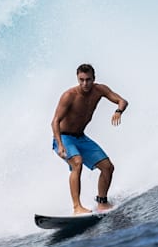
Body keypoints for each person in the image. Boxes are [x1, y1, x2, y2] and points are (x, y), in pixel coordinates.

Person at [51, 63, 129, 214]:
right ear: (77, 79)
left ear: (94, 78)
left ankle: (102, 203)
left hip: (81, 137)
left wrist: (119, 111)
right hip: (64, 137)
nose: (85, 83)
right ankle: (77, 208)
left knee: (108, 167)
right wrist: (60, 144)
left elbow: (122, 101)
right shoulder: (69, 96)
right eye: (81, 80)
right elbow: (55, 121)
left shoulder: (100, 90)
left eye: (88, 80)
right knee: (77, 162)